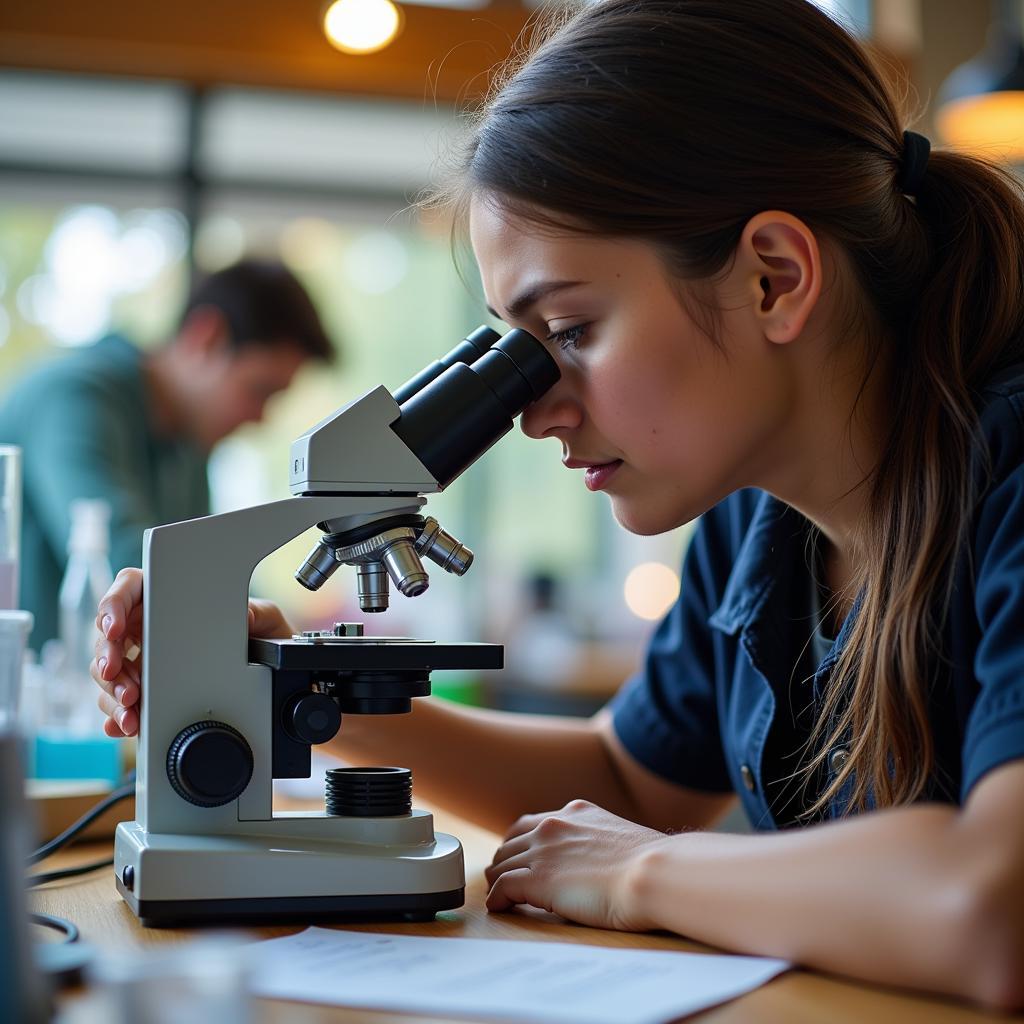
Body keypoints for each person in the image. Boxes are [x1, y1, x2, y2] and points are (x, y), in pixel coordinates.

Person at [91, 0, 1024, 1008]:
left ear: (773, 278)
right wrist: (295, 686)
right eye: (513, 348)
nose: (534, 410)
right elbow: (628, 783)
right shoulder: (758, 521)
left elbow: (995, 907)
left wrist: (636, 872)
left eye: (570, 329)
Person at [0, 259, 334, 649]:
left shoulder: (186, 448)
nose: (260, 418)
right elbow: (126, 562)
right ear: (206, 337)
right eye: (259, 390)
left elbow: (213, 567)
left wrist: (289, 623)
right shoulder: (74, 398)